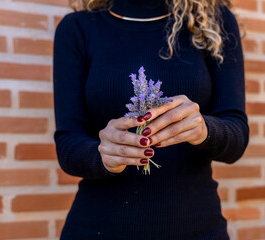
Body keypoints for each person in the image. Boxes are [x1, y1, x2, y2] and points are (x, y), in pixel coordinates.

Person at [52, 0, 249, 239]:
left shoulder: (213, 21)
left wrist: (203, 129)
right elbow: (68, 143)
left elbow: (236, 136)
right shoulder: (78, 28)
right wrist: (103, 154)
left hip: (196, 227)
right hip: (99, 228)